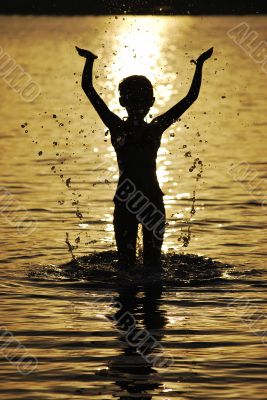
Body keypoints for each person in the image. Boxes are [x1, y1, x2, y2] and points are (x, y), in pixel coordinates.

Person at [76, 45, 213, 270]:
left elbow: (191, 98)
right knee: (136, 266)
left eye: (142, 99)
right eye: (134, 99)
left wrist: (200, 66)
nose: (138, 104)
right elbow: (88, 89)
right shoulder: (131, 128)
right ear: (123, 102)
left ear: (151, 102)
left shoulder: (143, 128)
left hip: (138, 200)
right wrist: (89, 61)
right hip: (136, 201)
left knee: (143, 265)